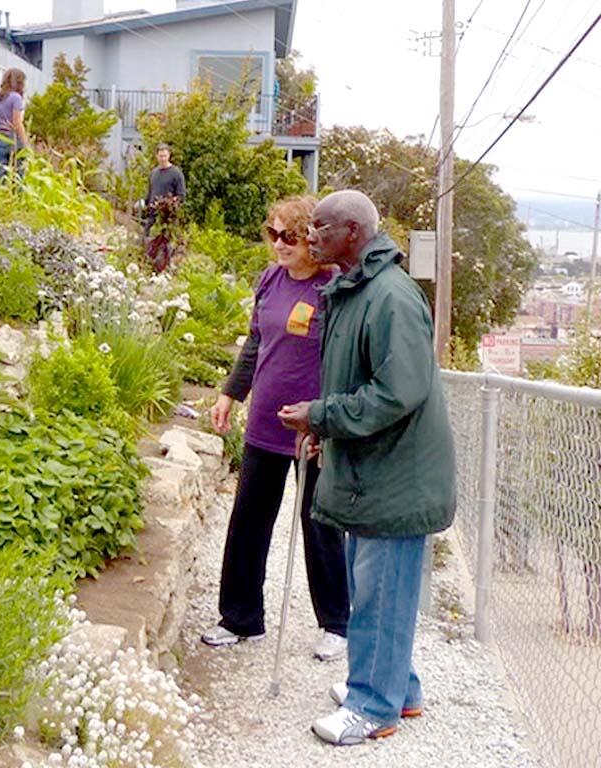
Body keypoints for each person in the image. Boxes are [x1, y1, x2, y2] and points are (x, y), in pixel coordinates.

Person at [279, 190, 456, 745]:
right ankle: (398, 690)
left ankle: (373, 706)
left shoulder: (391, 298)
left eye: (320, 228)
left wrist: (323, 415)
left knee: (382, 593)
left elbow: (396, 392)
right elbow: (354, 383)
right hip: (370, 472)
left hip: (395, 478)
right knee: (372, 586)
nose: (311, 237)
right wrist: (322, 430)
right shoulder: (356, 290)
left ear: (352, 233)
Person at [201, 196, 350, 662]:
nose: (279, 244)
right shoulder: (269, 280)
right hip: (266, 422)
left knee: (319, 524)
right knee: (248, 519)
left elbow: (347, 356)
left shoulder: (334, 288)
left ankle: (336, 624)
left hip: (312, 428)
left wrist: (330, 421)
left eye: (290, 236)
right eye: (273, 234)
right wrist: (231, 393)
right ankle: (240, 618)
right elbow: (255, 342)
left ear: (311, 239)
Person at [0, 68, 29, 181]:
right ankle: (17, 198)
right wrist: (26, 144)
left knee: (1, 176)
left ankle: (3, 196)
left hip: (0, 140)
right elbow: (17, 123)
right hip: (14, 141)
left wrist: (0, 118)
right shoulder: (16, 98)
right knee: (19, 176)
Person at [144, 143, 186, 237]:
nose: (163, 158)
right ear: (157, 156)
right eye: (160, 156)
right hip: (152, 215)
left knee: (166, 244)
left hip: (168, 218)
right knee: (147, 240)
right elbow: (150, 192)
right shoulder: (154, 173)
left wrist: (170, 205)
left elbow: (181, 196)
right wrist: (145, 204)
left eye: (165, 156)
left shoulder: (176, 173)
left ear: (169, 156)